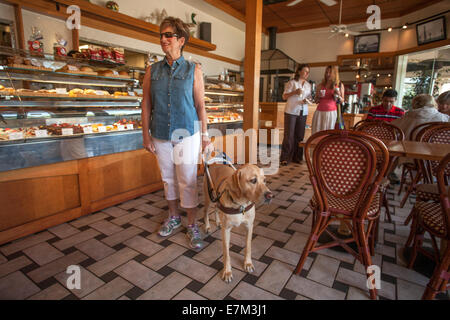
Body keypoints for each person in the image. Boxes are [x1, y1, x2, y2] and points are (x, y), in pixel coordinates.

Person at [141, 17, 211, 250]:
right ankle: (173, 217)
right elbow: (146, 105)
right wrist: (145, 135)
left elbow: (200, 105)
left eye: (168, 35)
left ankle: (192, 224)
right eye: (161, 35)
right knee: (168, 178)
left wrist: (204, 135)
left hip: (187, 133)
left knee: (188, 180)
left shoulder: (194, 69)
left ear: (181, 40)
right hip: (160, 132)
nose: (163, 39)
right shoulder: (152, 71)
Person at [279, 64, 311, 166]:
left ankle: (297, 157)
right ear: (299, 71)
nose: (306, 73)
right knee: (289, 135)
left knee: (300, 136)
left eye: (308, 72)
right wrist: (295, 92)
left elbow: (309, 98)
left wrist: (307, 100)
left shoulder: (308, 85)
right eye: (305, 71)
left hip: (303, 111)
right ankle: (285, 158)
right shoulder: (292, 83)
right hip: (291, 111)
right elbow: (284, 96)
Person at [311, 65, 344, 134]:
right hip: (319, 112)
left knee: (328, 133)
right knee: (317, 132)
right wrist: (319, 97)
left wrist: (338, 94)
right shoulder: (320, 85)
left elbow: (342, 100)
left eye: (330, 73)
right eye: (326, 72)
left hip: (331, 113)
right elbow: (316, 101)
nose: (328, 74)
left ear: (334, 74)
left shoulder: (339, 85)